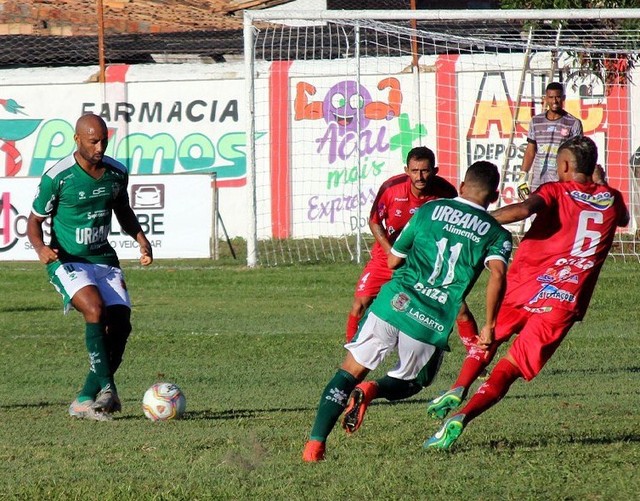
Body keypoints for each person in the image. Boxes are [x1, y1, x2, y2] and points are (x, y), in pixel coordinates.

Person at [424, 136, 629, 450]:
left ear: (563, 165)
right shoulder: (611, 198)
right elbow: (625, 219)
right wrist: (602, 183)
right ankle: (462, 416)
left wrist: (481, 219)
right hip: (564, 302)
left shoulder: (554, 190)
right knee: (511, 368)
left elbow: (521, 210)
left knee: (489, 337)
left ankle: (459, 385)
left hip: (526, 286)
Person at [303, 161, 513, 462]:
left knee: (348, 370)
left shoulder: (429, 210)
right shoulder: (497, 234)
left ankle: (314, 446)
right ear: (494, 197)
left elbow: (392, 261)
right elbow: (497, 276)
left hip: (393, 302)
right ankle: (373, 389)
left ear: (463, 187)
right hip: (431, 317)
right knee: (417, 382)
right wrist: (490, 325)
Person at [27, 113, 153, 421]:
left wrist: (141, 238)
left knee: (121, 325)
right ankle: (108, 389)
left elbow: (123, 209)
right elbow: (34, 222)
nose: (99, 147)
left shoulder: (116, 173)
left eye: (104, 141)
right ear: (78, 140)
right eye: (93, 141)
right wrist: (41, 248)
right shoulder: (58, 177)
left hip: (104, 259)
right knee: (95, 310)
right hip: (67, 260)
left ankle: (85, 398)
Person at [346, 146, 479, 356]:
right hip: (386, 255)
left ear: (434, 170)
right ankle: (352, 352)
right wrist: (390, 251)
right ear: (407, 170)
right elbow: (374, 222)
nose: (420, 176)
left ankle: (476, 355)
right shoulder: (392, 189)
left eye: (425, 171)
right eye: (415, 171)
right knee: (359, 304)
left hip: (424, 260)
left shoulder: (446, 193)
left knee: (458, 307)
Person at [516, 82, 583, 200]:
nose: (555, 101)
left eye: (558, 97)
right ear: (545, 99)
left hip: (561, 183)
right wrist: (523, 175)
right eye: (551, 97)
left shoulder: (573, 123)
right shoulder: (536, 121)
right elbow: (531, 150)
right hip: (539, 182)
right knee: (538, 215)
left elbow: (577, 155)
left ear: (563, 98)